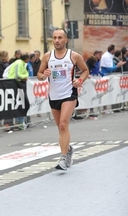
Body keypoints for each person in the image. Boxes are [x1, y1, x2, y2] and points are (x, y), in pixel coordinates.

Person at [37, 28, 89, 171]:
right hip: (54, 96)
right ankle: (68, 149)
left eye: (60, 38)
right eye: (54, 38)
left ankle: (64, 158)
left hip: (69, 94)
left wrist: (80, 81)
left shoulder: (74, 56)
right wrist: (43, 75)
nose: (57, 40)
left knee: (63, 125)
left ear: (66, 40)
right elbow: (39, 74)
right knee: (60, 129)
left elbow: (85, 70)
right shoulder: (47, 56)